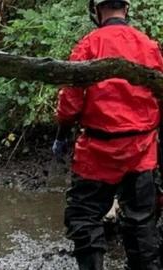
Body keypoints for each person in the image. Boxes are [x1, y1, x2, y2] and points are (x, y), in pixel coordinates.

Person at [52, 0, 163, 269]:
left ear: (97, 10)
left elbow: (71, 100)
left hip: (98, 151)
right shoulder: (148, 47)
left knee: (84, 216)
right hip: (140, 150)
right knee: (141, 222)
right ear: (125, 10)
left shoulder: (88, 45)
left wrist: (63, 132)